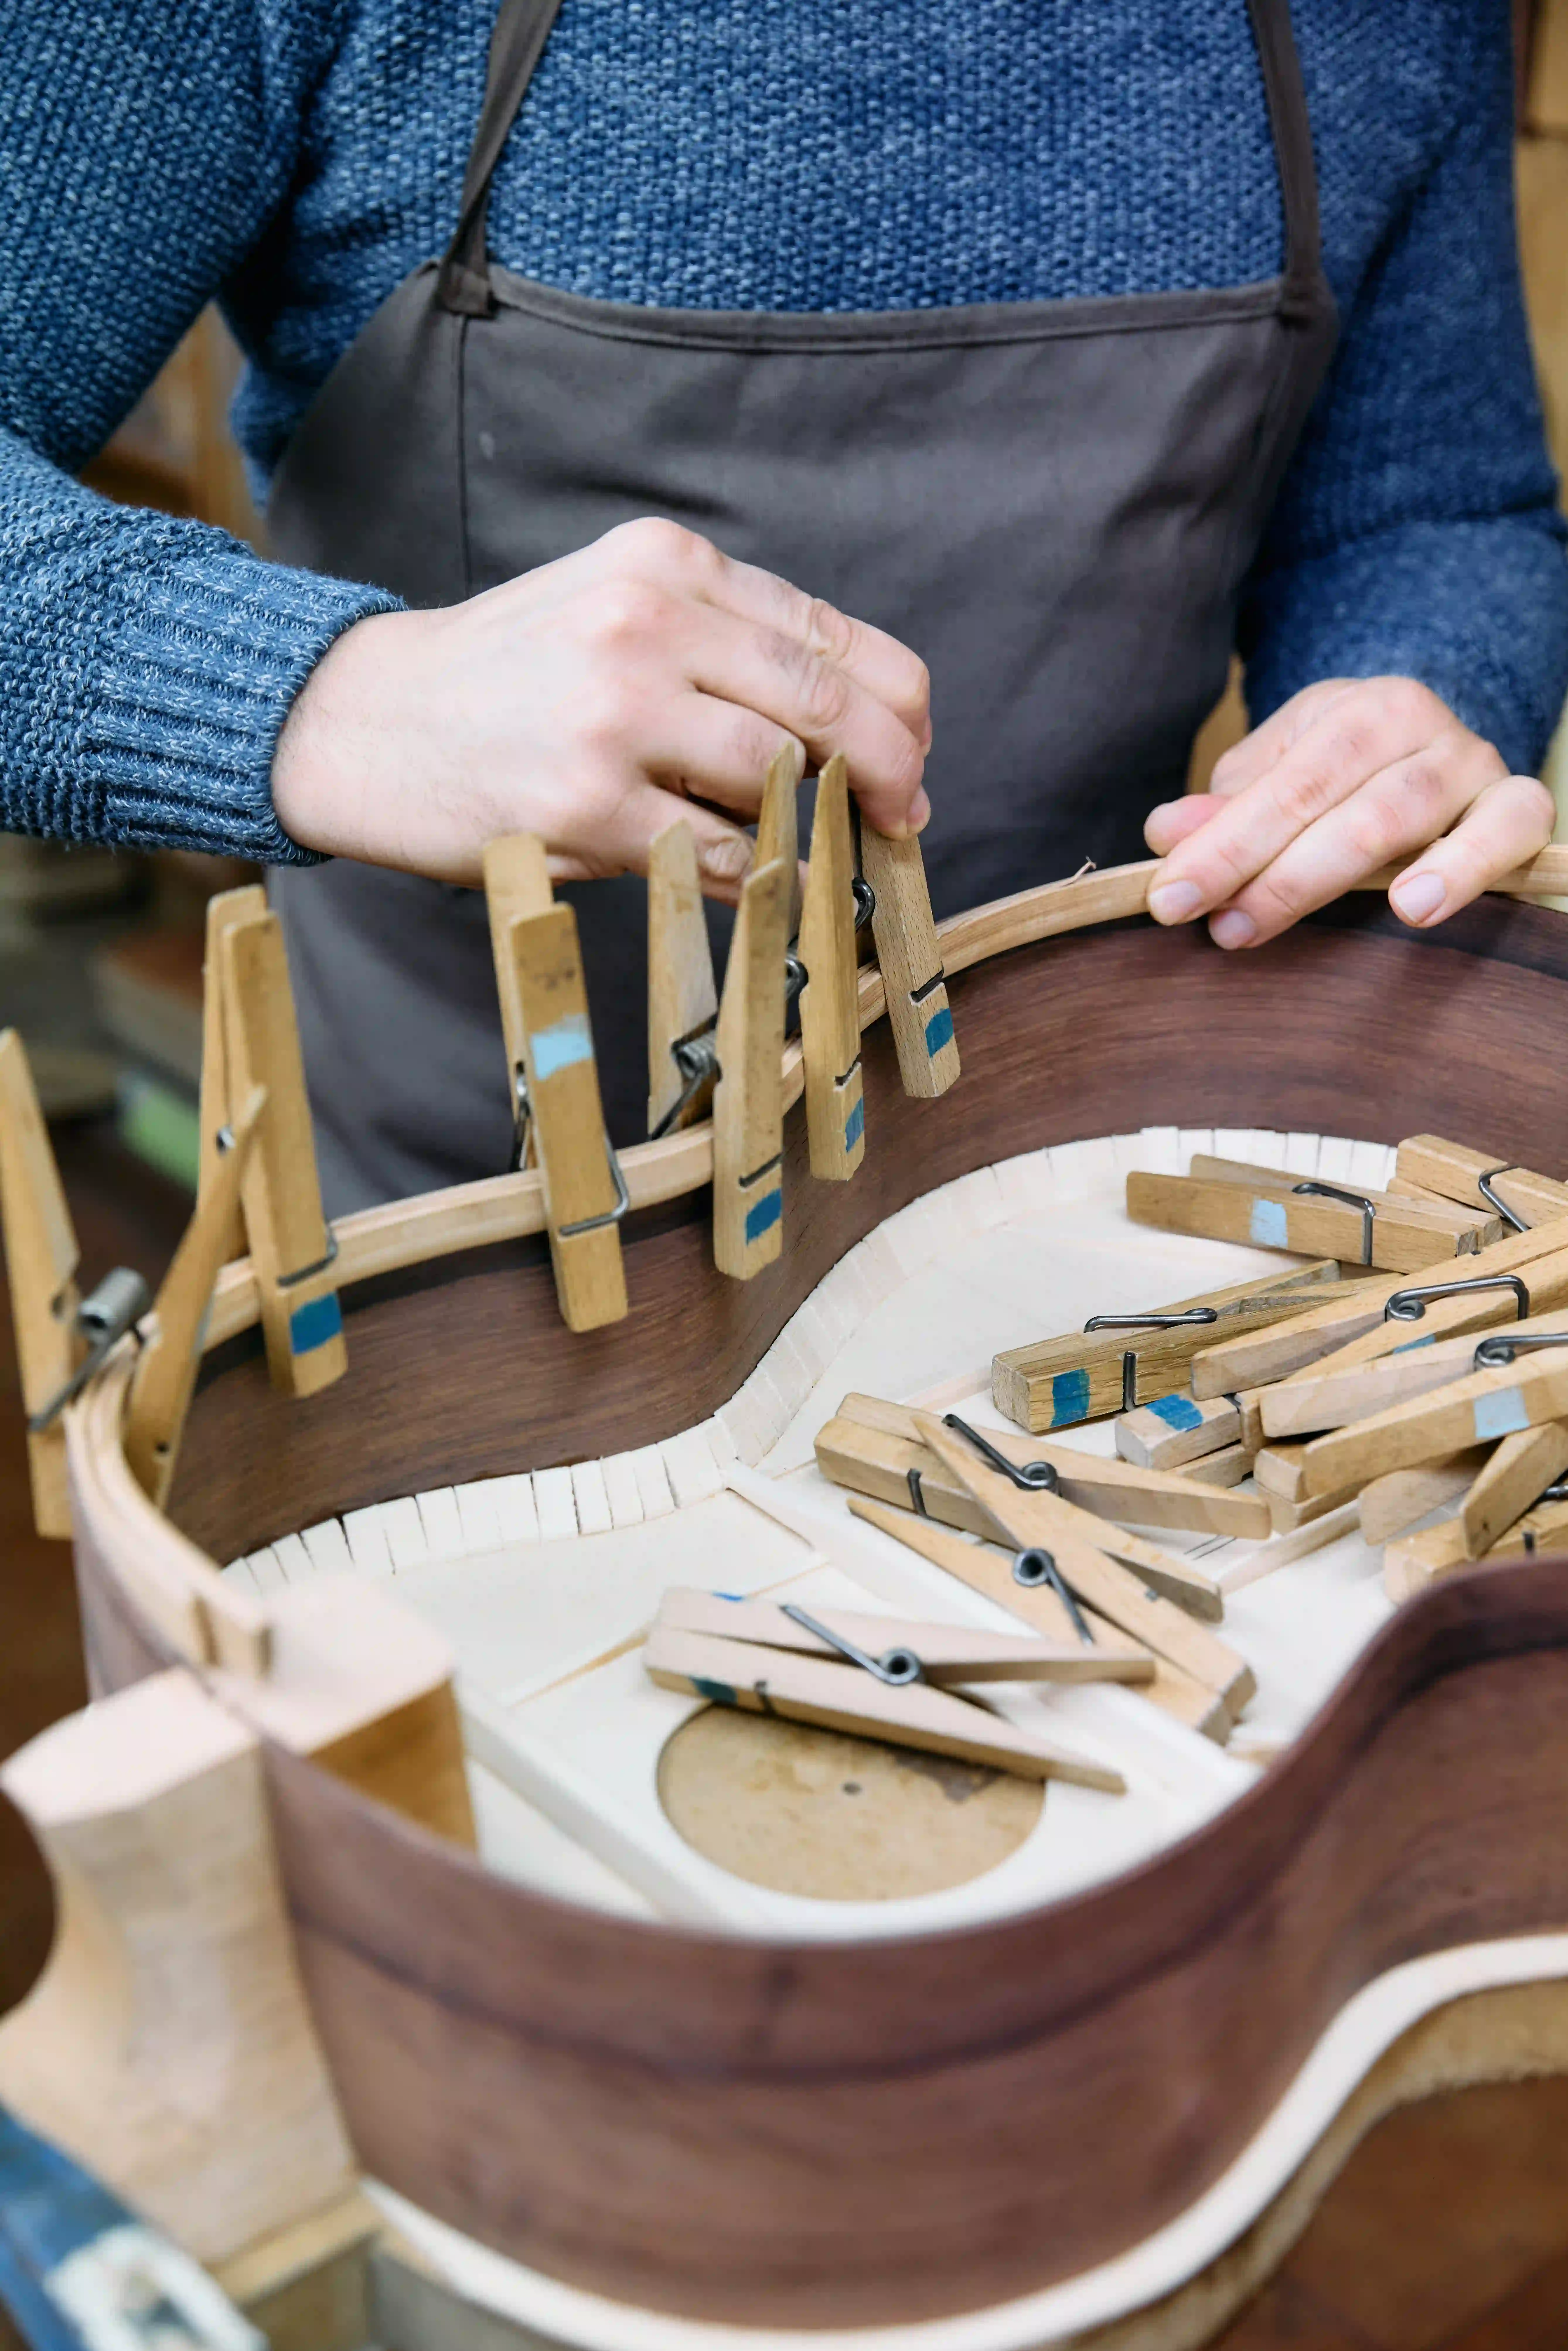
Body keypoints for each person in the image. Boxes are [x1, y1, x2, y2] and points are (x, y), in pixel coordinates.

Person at [2, 0, 1564, 1210]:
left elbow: (1434, 507)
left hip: (1077, 1220)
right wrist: (324, 693)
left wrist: (1408, 688)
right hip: (445, 1282)